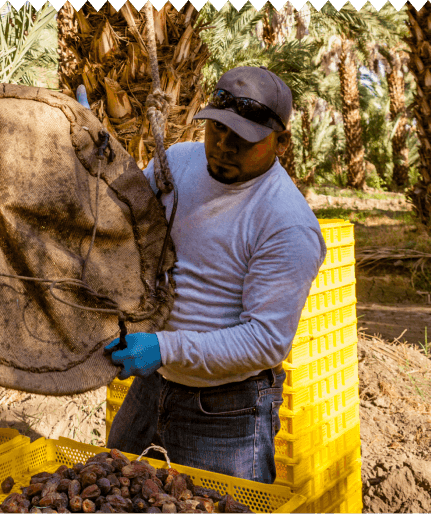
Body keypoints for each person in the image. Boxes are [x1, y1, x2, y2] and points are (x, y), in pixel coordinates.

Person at [99, 67, 327, 484]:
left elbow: (265, 341)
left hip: (226, 413)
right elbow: (124, 215)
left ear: (282, 142)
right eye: (217, 130)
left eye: (243, 139)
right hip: (152, 388)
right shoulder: (181, 163)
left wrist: (164, 348)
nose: (223, 146)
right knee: (116, 492)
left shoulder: (286, 224)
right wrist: (93, 157)